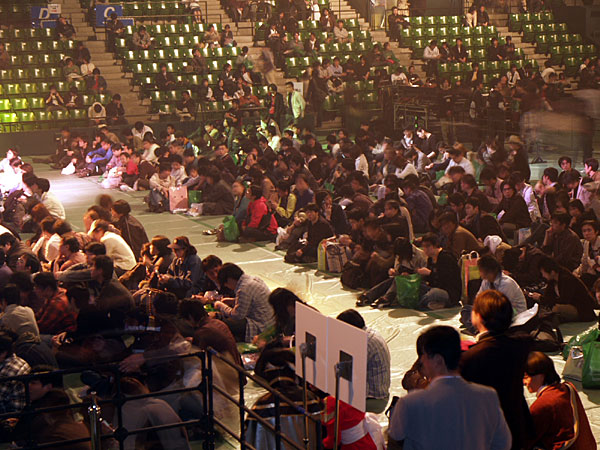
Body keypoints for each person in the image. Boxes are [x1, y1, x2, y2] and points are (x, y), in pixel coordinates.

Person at [389, 325, 511, 450]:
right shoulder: (488, 396)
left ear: (438, 360)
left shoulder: (409, 403)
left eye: (423, 357)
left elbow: (395, 439)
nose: (421, 362)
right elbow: (503, 444)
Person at [460, 290, 534, 450]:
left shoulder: (470, 357)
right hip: (516, 424)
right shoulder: (521, 345)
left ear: (478, 316)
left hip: (486, 432)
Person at [523, 351, 596, 450]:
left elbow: (526, 440)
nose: (524, 382)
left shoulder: (543, 404)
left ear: (541, 375)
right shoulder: (567, 388)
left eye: (526, 377)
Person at [336, 310, 390, 413]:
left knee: (332, 403)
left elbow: (348, 372)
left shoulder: (364, 343)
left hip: (373, 398)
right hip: (378, 394)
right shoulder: (368, 334)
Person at [208, 263, 274, 342]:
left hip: (260, 325)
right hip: (269, 321)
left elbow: (237, 316)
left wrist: (220, 305)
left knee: (220, 324)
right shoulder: (253, 279)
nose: (227, 286)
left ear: (229, 279)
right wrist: (233, 300)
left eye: (226, 284)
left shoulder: (243, 288)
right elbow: (251, 301)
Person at [532, 256, 597, 323]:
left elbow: (564, 300)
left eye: (543, 273)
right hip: (571, 306)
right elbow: (548, 297)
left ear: (552, 272)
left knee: (557, 308)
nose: (543, 275)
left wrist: (541, 298)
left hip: (581, 309)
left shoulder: (566, 279)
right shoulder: (552, 281)